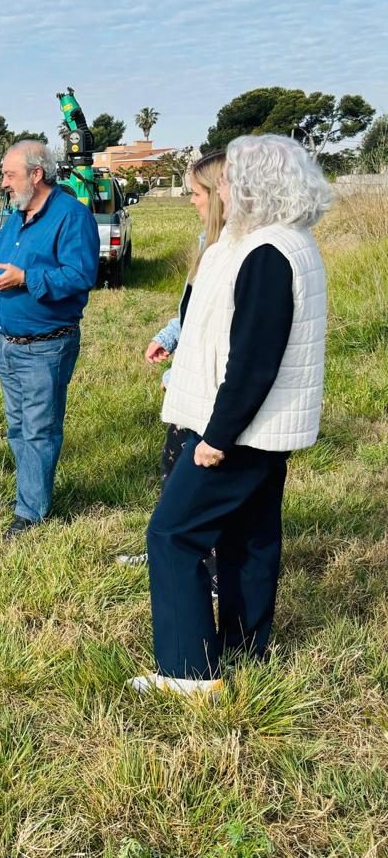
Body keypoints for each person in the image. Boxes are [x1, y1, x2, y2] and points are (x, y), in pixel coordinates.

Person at [132, 134, 330, 697]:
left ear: (253, 185)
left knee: (172, 533)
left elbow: (254, 357)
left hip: (242, 430)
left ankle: (188, 673)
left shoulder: (267, 251)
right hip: (268, 428)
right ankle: (245, 653)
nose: (220, 189)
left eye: (227, 180)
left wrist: (217, 435)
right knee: (249, 539)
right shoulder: (290, 241)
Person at [0, 140, 99, 539]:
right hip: (9, 343)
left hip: (47, 345)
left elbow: (81, 276)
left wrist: (26, 279)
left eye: (10, 175)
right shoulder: (15, 216)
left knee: (39, 429)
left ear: (36, 174)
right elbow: (1, 264)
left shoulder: (72, 216)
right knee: (16, 426)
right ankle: (28, 496)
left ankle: (31, 513)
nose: (4, 182)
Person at [118, 150, 227, 568]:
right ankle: (169, 551)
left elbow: (219, 332)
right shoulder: (207, 242)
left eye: (197, 192)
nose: (192, 201)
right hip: (191, 383)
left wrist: (183, 373)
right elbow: (193, 310)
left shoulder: (236, 252)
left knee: (202, 484)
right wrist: (170, 336)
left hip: (212, 391)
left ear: (220, 194)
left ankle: (210, 570)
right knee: (175, 470)